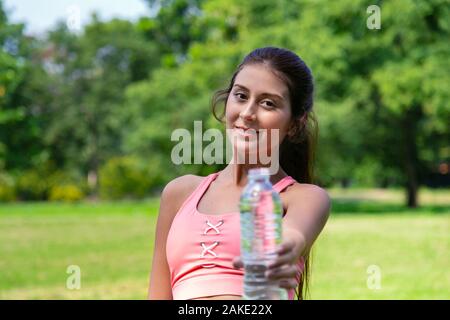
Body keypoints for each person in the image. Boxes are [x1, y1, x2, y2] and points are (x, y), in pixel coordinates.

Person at [148, 47, 330, 300]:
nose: (247, 113)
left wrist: (282, 249)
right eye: (241, 96)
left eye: (268, 103)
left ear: (295, 123)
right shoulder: (179, 193)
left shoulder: (303, 197)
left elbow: (294, 234)